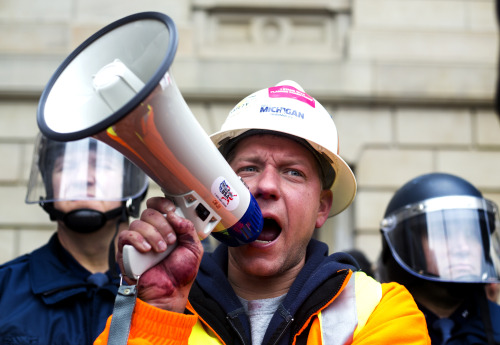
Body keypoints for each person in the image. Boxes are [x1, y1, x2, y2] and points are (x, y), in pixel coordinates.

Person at [95, 80, 430, 344]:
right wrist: (158, 313)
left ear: (322, 207)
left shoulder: (382, 312)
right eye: (249, 168)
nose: (266, 186)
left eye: (293, 172)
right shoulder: (163, 300)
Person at [0, 134, 149, 344]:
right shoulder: (5, 289)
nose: (84, 178)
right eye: (67, 166)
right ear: (50, 184)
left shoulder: (165, 291)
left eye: (103, 166)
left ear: (130, 182)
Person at [377, 172, 500, 345]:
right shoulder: (375, 328)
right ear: (407, 244)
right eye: (445, 234)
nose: (463, 248)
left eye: (472, 235)